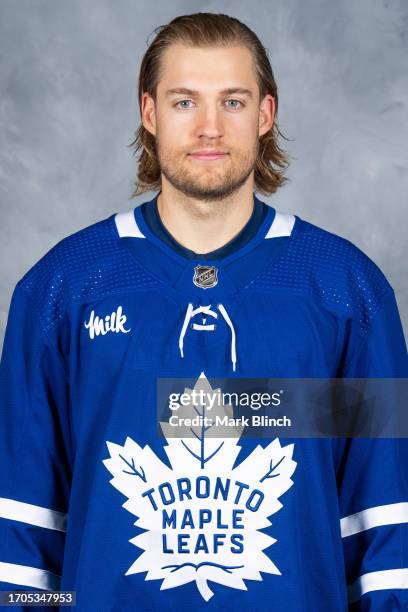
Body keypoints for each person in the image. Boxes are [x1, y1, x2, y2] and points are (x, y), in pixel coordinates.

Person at [0, 12, 407, 612]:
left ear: (266, 115)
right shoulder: (61, 288)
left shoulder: (348, 292)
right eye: (185, 101)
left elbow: (386, 528)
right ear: (149, 112)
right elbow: (23, 530)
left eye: (234, 101)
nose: (210, 127)